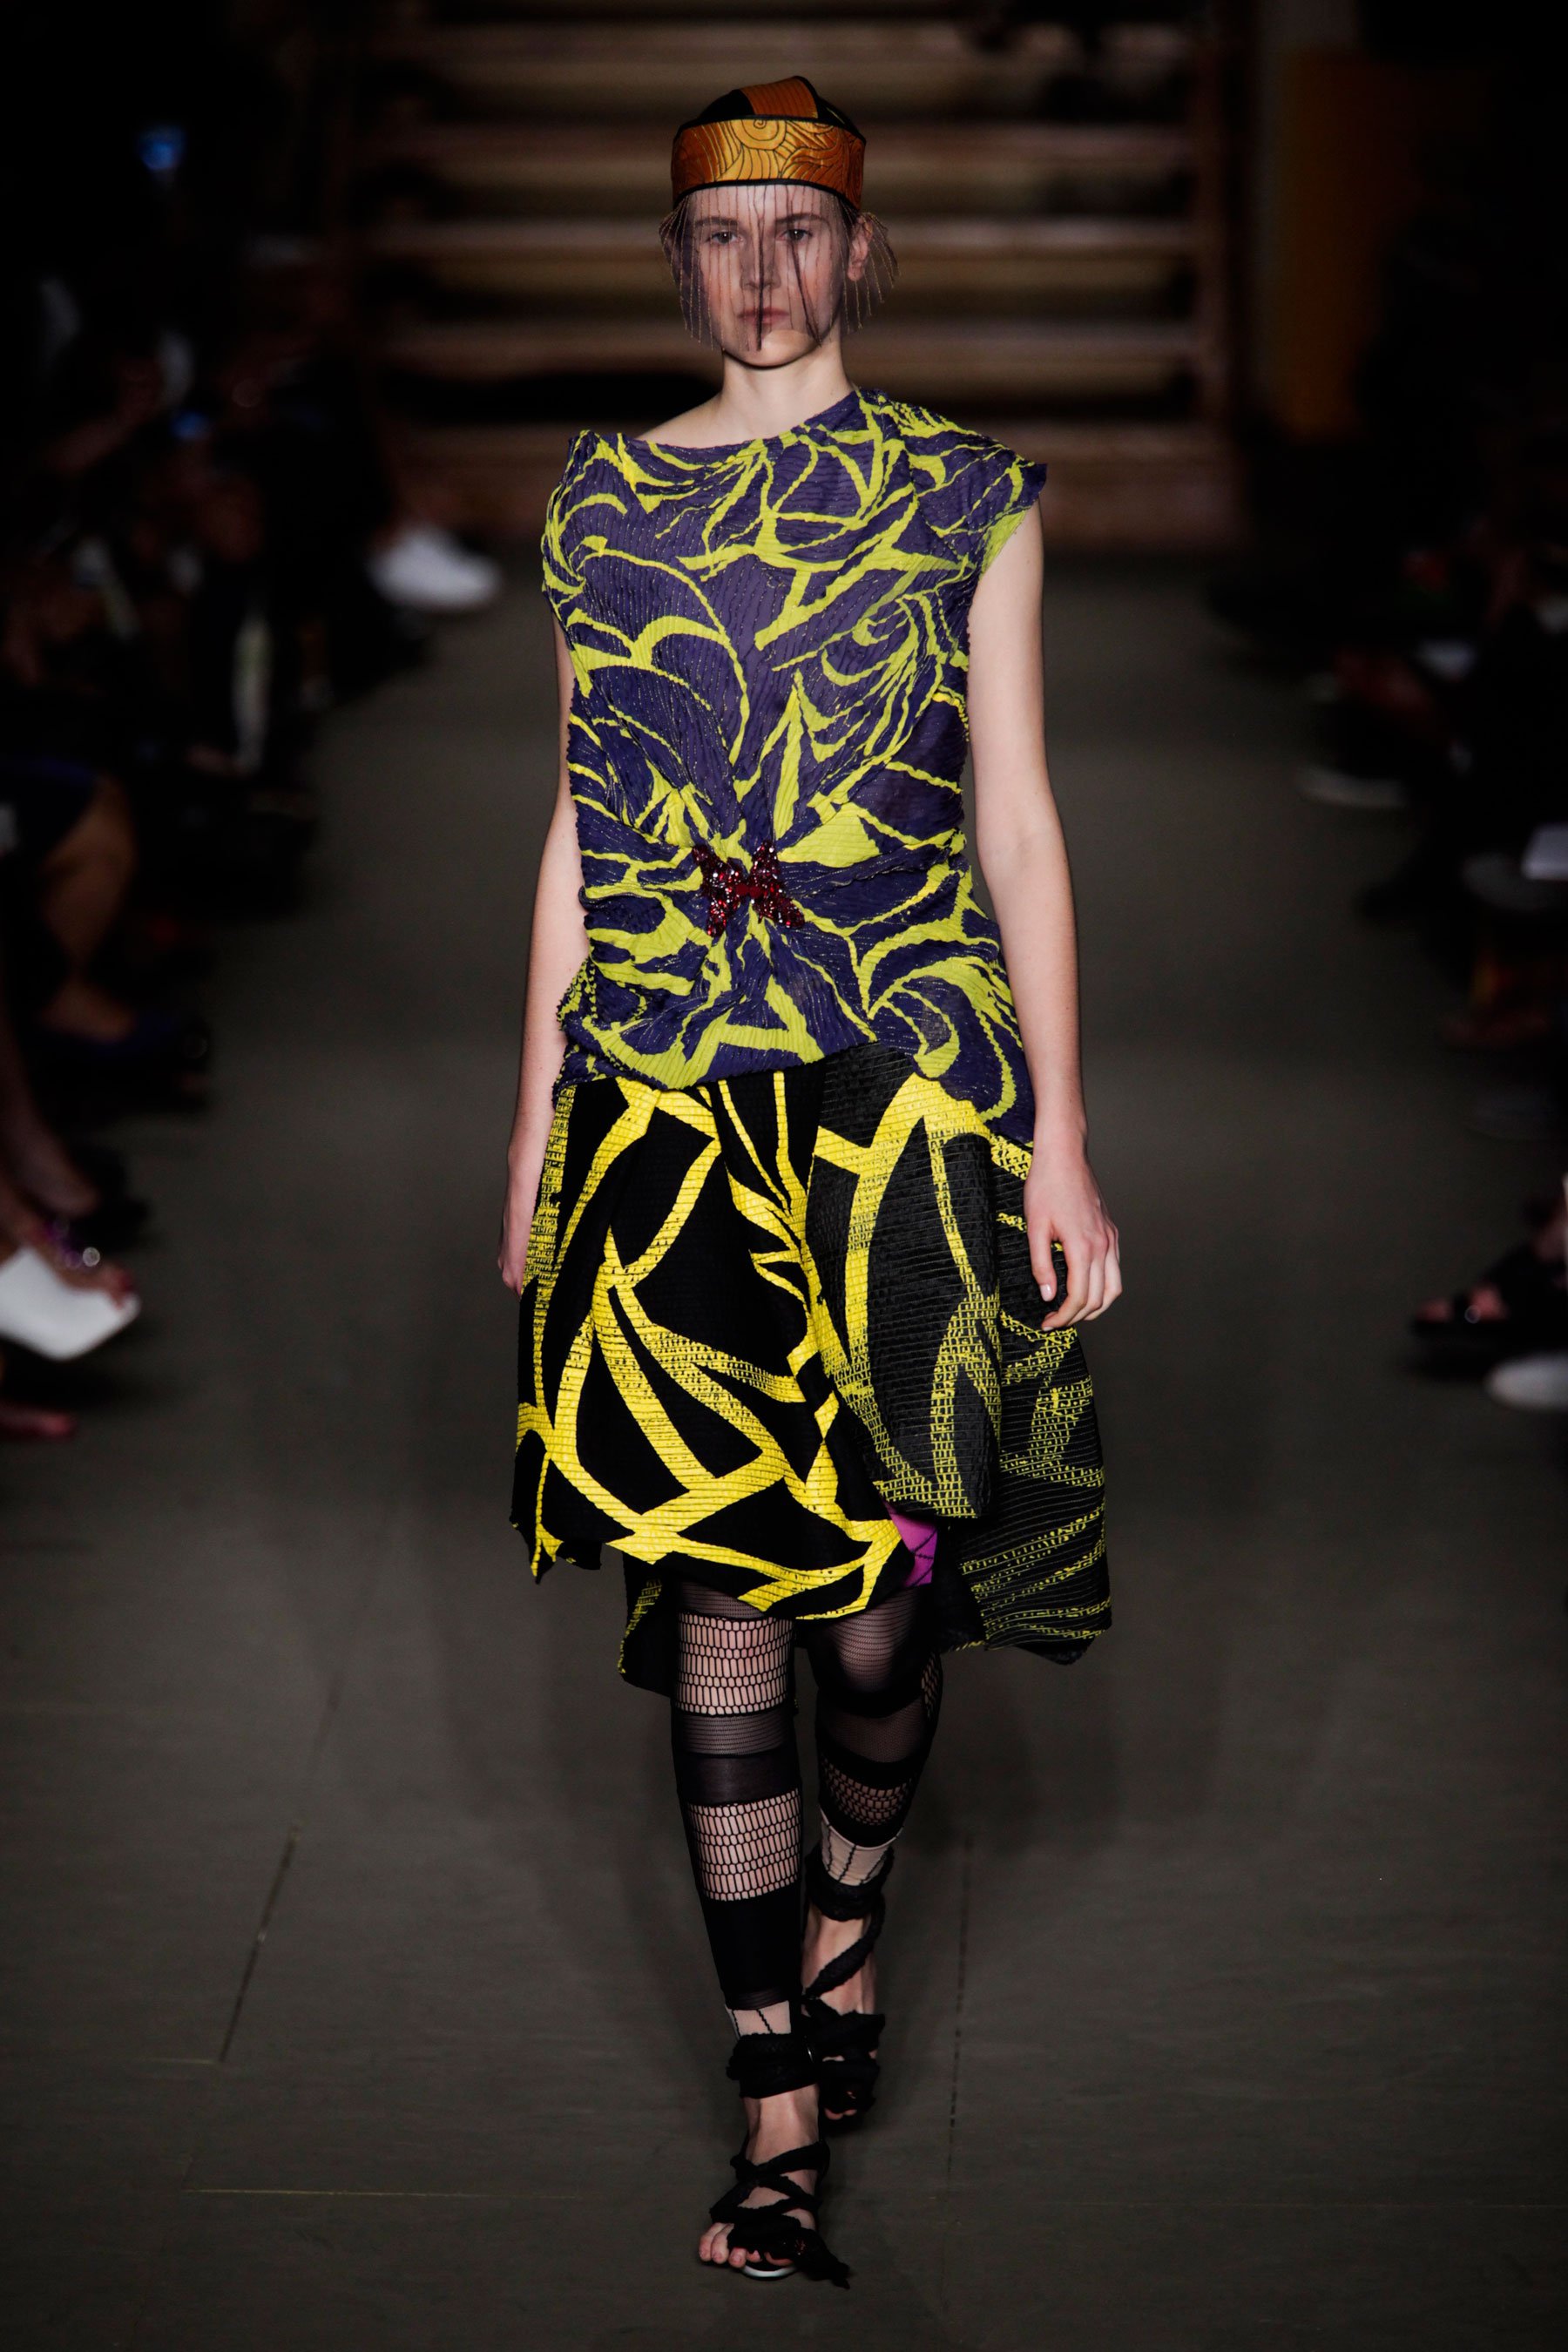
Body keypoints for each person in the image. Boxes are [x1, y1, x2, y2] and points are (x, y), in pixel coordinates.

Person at [498, 78, 1121, 2287]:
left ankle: (849, 1907)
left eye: (797, 231)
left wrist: (1061, 1132)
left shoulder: (965, 494)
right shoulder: (597, 504)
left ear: (858, 251)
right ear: (676, 255)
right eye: (720, 231)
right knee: (724, 1602)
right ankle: (773, 2091)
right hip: (664, 1108)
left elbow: (1017, 821)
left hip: (905, 1107)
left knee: (874, 1625)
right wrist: (535, 1124)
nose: (759, 271)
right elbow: (581, 826)